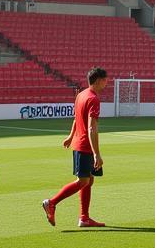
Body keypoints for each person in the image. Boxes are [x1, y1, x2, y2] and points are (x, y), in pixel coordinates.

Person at [42, 67, 108, 229]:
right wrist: (96, 154)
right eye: (106, 79)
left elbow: (76, 118)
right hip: (85, 146)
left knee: (89, 180)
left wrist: (70, 137)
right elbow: (92, 128)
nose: (107, 82)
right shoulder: (93, 99)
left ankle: (84, 218)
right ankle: (51, 203)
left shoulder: (81, 95)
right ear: (99, 80)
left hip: (79, 142)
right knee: (83, 181)